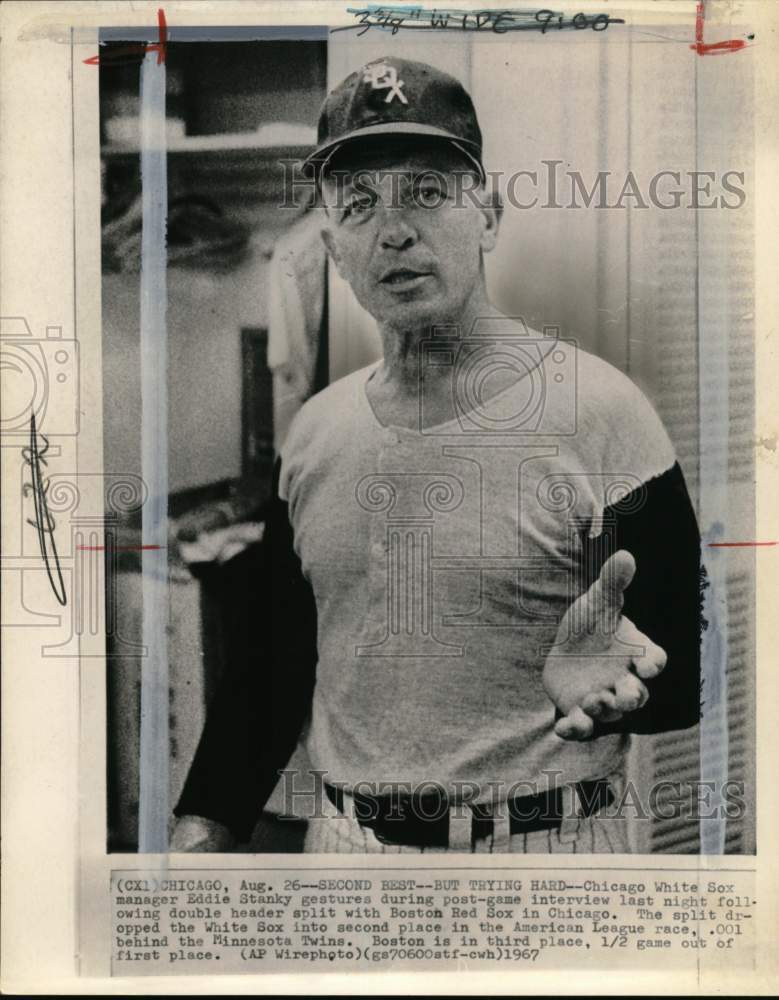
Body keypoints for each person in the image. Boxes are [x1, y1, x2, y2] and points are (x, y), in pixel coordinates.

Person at [172, 57, 701, 854]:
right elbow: (275, 662)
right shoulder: (316, 433)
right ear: (333, 250)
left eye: (426, 192)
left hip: (546, 851)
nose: (394, 231)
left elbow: (678, 673)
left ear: (486, 215)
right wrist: (203, 823)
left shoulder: (603, 415)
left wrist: (615, 697)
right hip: (348, 854)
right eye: (358, 207)